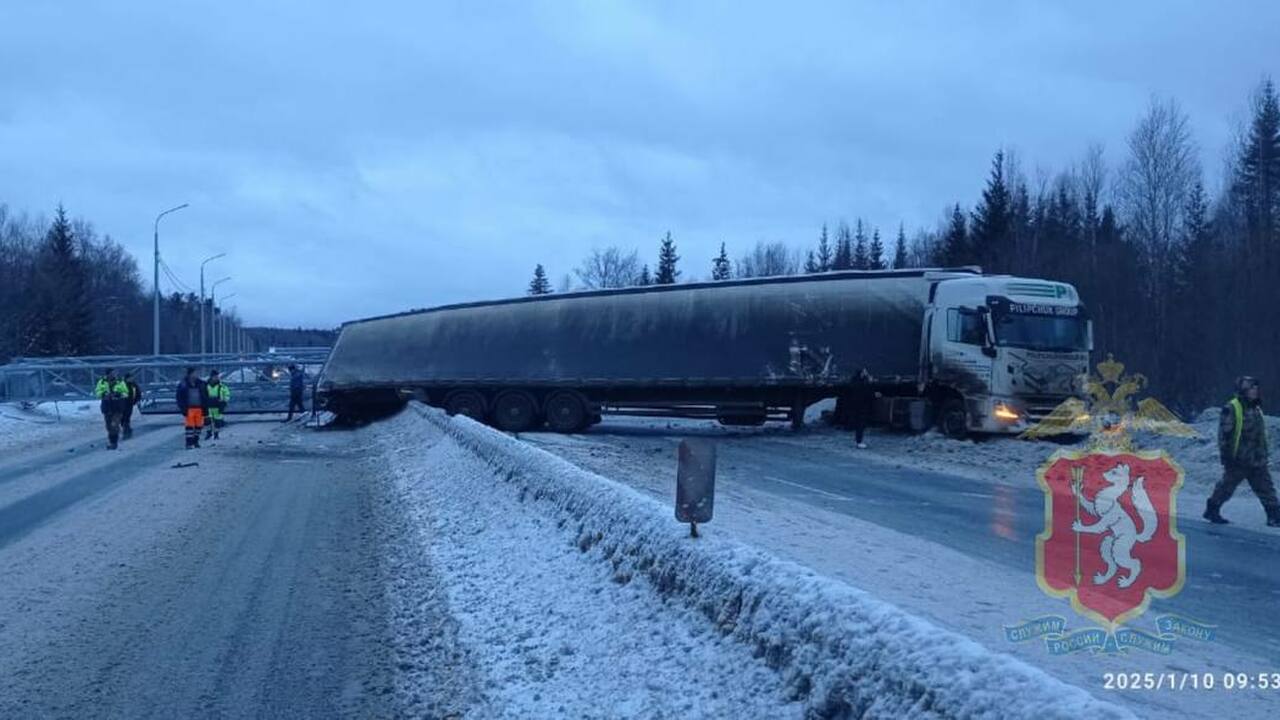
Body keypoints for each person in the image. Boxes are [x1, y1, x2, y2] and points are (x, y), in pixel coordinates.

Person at [1204, 376, 1280, 527]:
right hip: (1238, 459)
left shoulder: (1256, 408)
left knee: (1266, 488)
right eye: (1252, 388)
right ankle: (1212, 509)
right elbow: (1224, 435)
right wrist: (1227, 457)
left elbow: (1259, 435)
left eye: (1256, 388)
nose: (1255, 391)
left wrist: (1263, 454)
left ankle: (1274, 517)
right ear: (1244, 390)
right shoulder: (1232, 408)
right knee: (1226, 487)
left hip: (1256, 459)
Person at [94, 368, 130, 450]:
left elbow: (126, 393)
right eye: (112, 373)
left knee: (114, 424)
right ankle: (112, 439)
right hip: (107, 407)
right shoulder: (102, 382)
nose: (113, 374)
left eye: (114, 373)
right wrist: (103, 394)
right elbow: (97, 392)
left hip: (117, 407)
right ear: (108, 374)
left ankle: (114, 442)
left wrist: (118, 394)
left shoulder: (120, 381)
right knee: (108, 426)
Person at [175, 367, 210, 449]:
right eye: (194, 373)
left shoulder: (201, 384)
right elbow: (179, 397)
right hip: (189, 408)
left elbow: (205, 395)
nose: (196, 375)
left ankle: (196, 441)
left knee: (199, 426)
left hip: (199, 408)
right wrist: (183, 408)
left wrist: (206, 407)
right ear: (190, 374)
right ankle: (189, 443)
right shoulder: (183, 384)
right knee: (189, 427)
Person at [848, 368, 876, 449]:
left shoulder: (854, 381)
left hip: (855, 405)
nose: (866, 373)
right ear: (861, 373)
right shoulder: (862, 383)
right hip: (861, 406)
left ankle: (858, 440)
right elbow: (867, 392)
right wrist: (871, 382)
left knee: (858, 423)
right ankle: (859, 442)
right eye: (864, 372)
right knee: (860, 424)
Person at [205, 370, 231, 440]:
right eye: (215, 376)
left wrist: (224, 401)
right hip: (208, 406)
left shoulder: (222, 386)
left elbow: (227, 394)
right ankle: (208, 433)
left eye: (217, 376)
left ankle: (216, 434)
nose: (217, 378)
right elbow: (203, 395)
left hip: (218, 406)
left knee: (217, 421)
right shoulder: (206, 386)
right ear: (211, 377)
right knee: (207, 421)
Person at [121, 372, 143, 440]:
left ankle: (127, 430)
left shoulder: (134, 385)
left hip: (130, 403)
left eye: (132, 378)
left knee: (127, 417)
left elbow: (138, 393)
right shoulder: (122, 384)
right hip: (122, 403)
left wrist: (136, 400)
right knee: (123, 417)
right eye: (130, 378)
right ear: (126, 378)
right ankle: (126, 429)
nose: (131, 379)